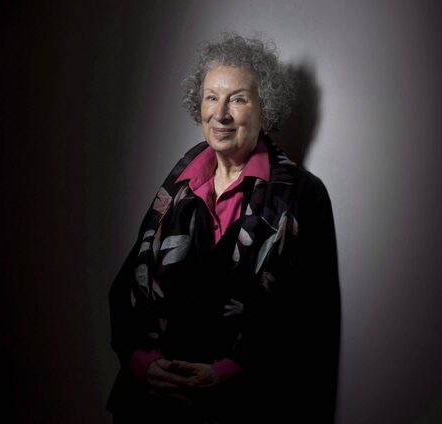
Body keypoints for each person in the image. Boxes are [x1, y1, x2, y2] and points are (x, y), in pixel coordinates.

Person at [107, 33, 340, 423]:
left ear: (265, 108)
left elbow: (312, 318)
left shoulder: (303, 194)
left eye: (238, 99)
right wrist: (143, 364)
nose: (220, 114)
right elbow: (127, 288)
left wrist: (228, 373)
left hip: (243, 407)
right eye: (211, 97)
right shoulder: (179, 183)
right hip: (150, 404)